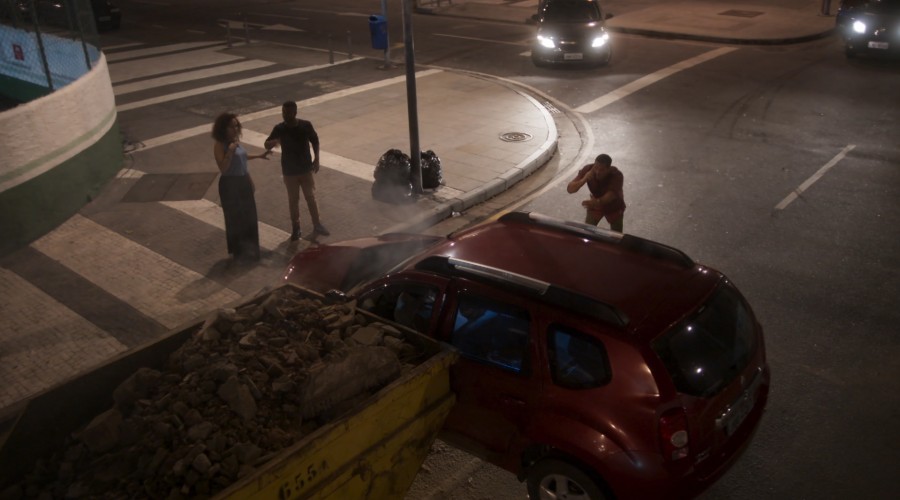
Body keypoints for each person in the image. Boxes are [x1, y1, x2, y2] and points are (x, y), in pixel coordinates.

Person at [264, 101, 329, 241]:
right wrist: (270, 144)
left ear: (295, 112)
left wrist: (317, 158)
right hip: (289, 171)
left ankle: (317, 224)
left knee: (311, 198)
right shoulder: (279, 128)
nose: (285, 115)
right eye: (283, 112)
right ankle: (296, 228)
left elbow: (315, 140)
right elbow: (267, 143)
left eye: (287, 112)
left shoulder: (305, 125)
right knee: (293, 201)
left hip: (305, 169)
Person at [211, 112, 270, 262]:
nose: (235, 129)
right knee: (235, 219)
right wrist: (230, 150)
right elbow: (223, 168)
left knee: (250, 216)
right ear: (223, 128)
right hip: (230, 184)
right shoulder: (220, 145)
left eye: (237, 125)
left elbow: (242, 157)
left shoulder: (235, 141)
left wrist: (258, 156)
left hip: (243, 181)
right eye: (232, 126)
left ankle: (251, 249)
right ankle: (239, 252)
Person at [567, 153, 626, 232]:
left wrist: (596, 202)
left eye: (602, 170)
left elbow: (610, 196)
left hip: (614, 206)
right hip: (595, 204)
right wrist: (584, 179)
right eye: (596, 168)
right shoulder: (588, 169)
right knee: (587, 231)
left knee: (616, 235)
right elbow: (570, 189)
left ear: (608, 169)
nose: (597, 172)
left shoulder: (616, 175)